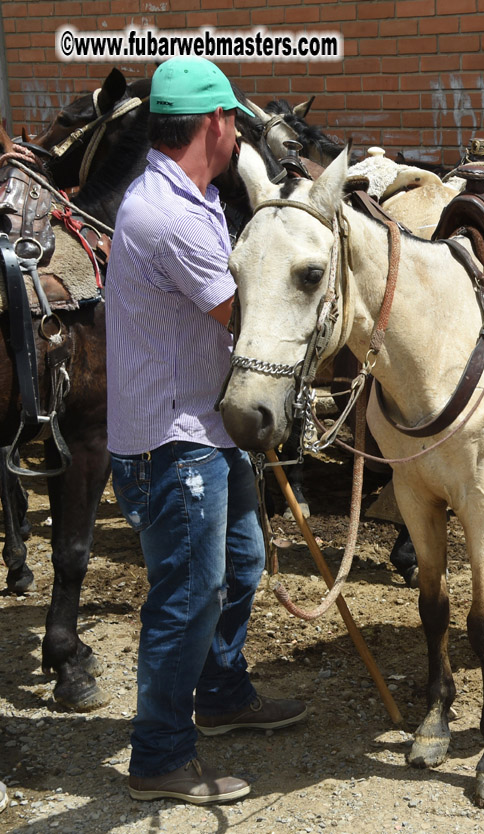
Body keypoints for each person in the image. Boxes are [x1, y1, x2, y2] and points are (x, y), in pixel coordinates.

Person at [106, 56, 307, 805]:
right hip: (173, 439)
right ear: (217, 124)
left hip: (205, 424)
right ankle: (158, 757)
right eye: (236, 122)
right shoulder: (168, 216)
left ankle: (220, 695)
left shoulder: (188, 197)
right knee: (187, 596)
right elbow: (249, 318)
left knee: (242, 565)